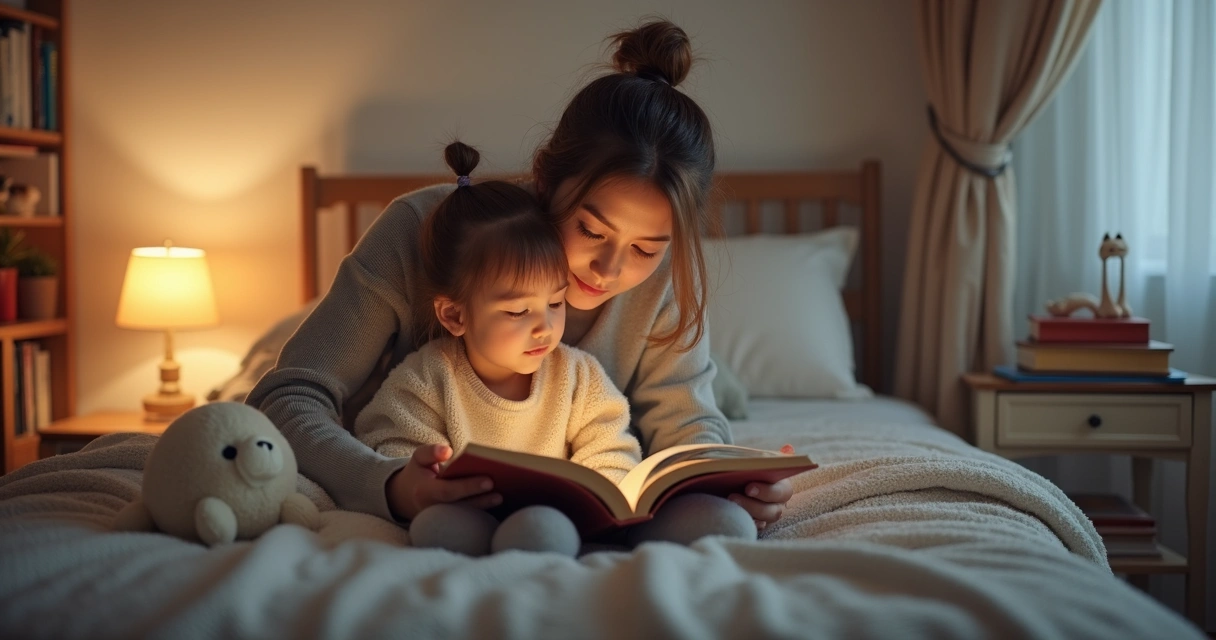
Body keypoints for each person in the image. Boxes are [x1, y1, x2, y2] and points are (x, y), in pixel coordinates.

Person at [247, 18, 792, 530]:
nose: (610, 270)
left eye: (647, 248)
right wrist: (389, 485)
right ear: (544, 180)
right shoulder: (420, 230)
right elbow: (290, 395)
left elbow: (688, 425)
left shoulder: (658, 286)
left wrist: (728, 481)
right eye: (593, 231)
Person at [354, 142, 753, 556]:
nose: (545, 327)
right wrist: (417, 480)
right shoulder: (429, 377)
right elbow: (389, 439)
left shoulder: (578, 376)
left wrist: (610, 495)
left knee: (726, 523)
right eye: (516, 311)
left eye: (556, 303)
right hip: (467, 511)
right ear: (455, 316)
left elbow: (611, 446)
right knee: (446, 526)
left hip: (566, 519)